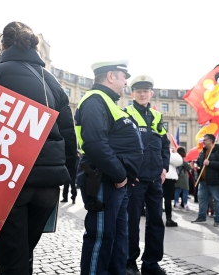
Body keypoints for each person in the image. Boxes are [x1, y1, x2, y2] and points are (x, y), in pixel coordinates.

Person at [0, 22, 77, 275]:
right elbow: (69, 134)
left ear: (3, 46)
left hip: (8, 182)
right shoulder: (54, 83)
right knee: (24, 253)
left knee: (12, 260)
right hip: (47, 187)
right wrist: (67, 175)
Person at [74, 59, 143, 275]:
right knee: (100, 238)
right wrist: (121, 173)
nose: (125, 83)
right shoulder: (95, 100)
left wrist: (128, 174)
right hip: (103, 179)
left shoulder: (109, 102)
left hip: (116, 183)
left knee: (116, 237)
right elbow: (95, 144)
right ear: (111, 76)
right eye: (124, 77)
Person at [125, 75, 170, 275]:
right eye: (139, 91)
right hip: (135, 180)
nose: (143, 94)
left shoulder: (157, 116)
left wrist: (164, 167)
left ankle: (151, 263)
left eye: (146, 91)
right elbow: (121, 145)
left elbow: (165, 144)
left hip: (155, 179)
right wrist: (127, 170)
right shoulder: (126, 113)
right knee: (131, 222)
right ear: (132, 93)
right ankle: (129, 262)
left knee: (156, 222)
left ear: (151, 93)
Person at [191, 134, 219, 227]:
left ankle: (217, 219)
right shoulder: (203, 151)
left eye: (205, 140)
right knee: (202, 199)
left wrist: (210, 163)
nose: (203, 141)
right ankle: (202, 217)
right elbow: (201, 162)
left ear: (211, 141)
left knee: (217, 200)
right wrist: (197, 166)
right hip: (203, 181)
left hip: (216, 181)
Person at [163, 145, 182, 227]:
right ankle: (168, 219)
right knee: (167, 200)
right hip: (168, 178)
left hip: (160, 177)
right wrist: (175, 153)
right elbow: (179, 161)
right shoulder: (167, 151)